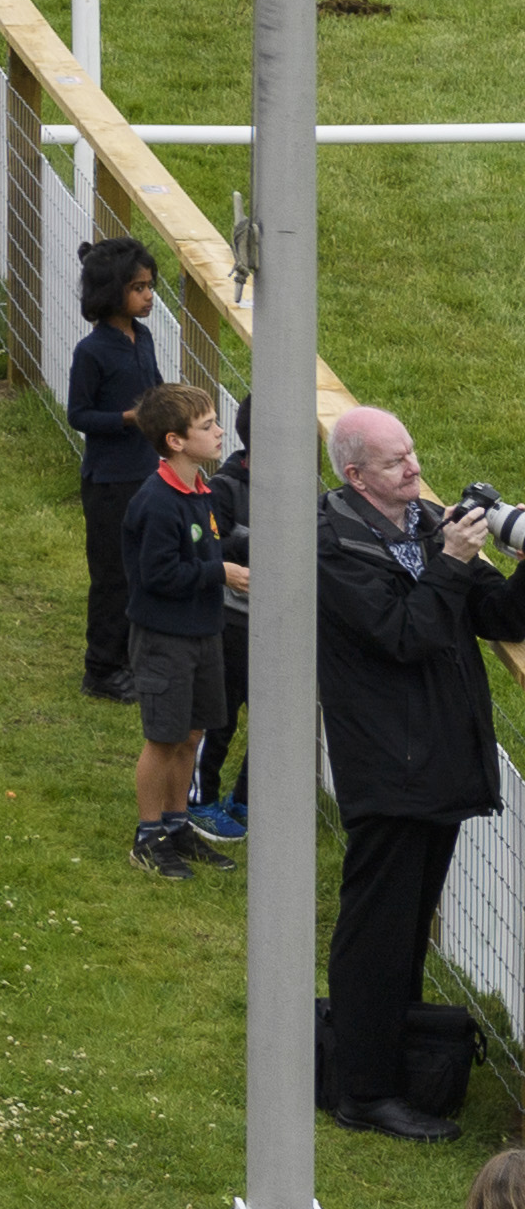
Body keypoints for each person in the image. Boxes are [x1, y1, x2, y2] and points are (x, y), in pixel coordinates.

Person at [317, 404, 525, 1135]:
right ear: (355, 475)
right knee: (376, 932)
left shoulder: (425, 521)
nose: (413, 467)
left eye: (412, 452)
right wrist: (452, 564)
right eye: (395, 462)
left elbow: (497, 616)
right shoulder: (333, 543)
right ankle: (363, 1092)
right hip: (389, 766)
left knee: (406, 930)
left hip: (434, 763)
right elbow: (402, 635)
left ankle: (388, 1066)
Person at [122, 379, 245, 880]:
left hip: (203, 633)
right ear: (175, 440)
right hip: (164, 638)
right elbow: (157, 576)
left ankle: (177, 825)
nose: (220, 432)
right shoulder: (157, 502)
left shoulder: (201, 491)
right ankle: (147, 835)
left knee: (192, 732)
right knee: (163, 737)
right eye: (207, 425)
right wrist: (221, 573)